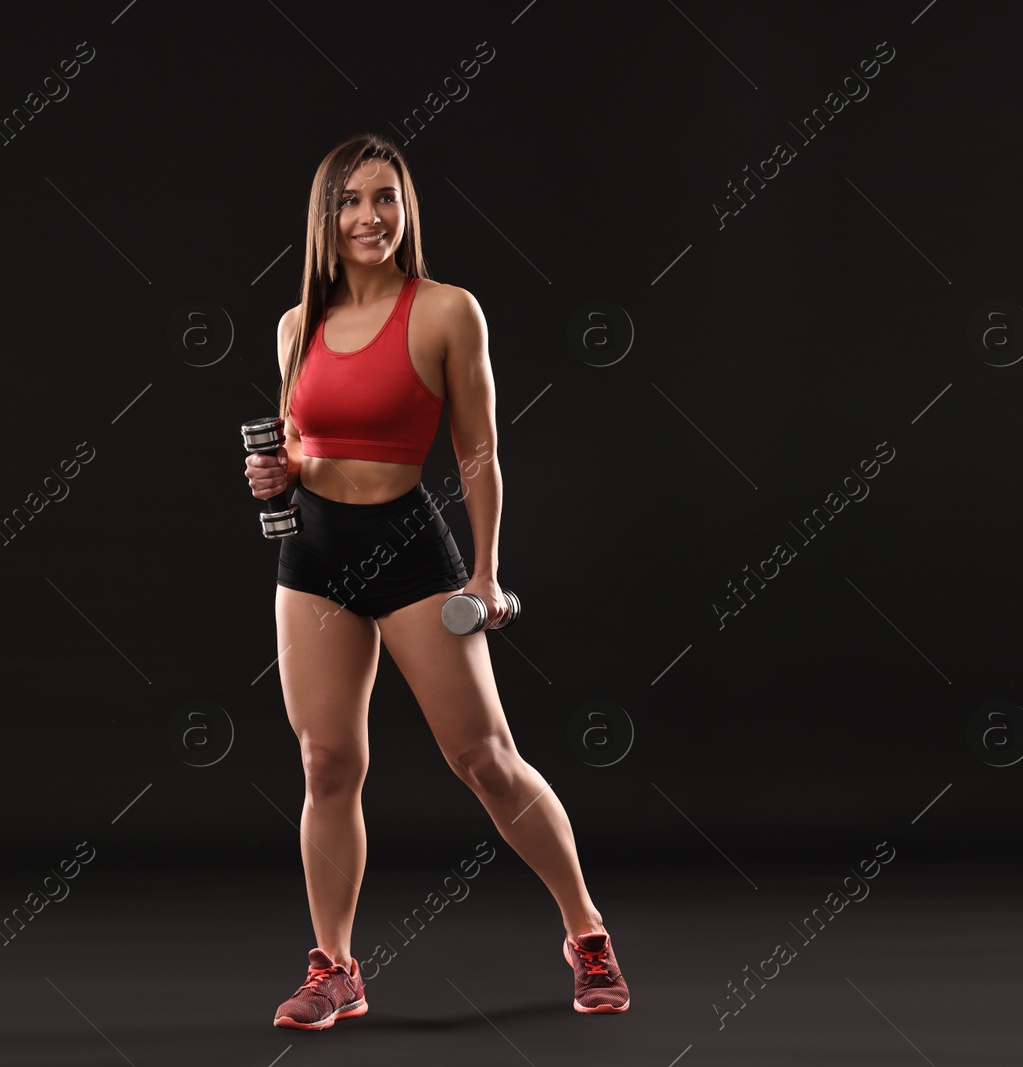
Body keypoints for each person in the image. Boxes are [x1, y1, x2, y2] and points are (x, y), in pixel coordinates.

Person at [243, 133, 629, 1031]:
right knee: (326, 762)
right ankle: (334, 966)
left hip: (413, 551)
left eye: (385, 198)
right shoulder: (295, 324)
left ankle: (588, 930)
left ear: (406, 208)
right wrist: (281, 472)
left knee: (484, 760)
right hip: (313, 559)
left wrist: (488, 571)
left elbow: (480, 450)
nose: (369, 217)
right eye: (350, 201)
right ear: (324, 218)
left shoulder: (449, 311)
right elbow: (305, 444)